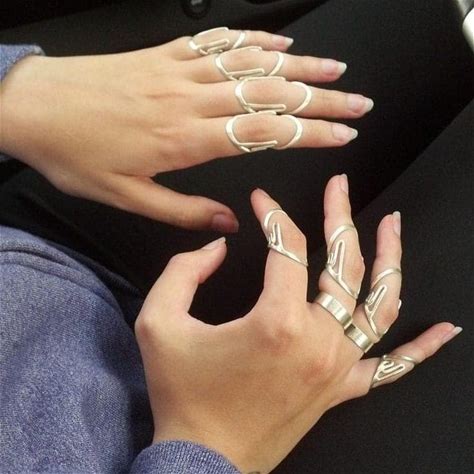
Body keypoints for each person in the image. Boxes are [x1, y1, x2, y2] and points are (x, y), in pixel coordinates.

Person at [1, 2, 473, 473]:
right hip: (192, 436)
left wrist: (19, 96)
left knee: (414, 22)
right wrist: (209, 446)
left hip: (44, 242)